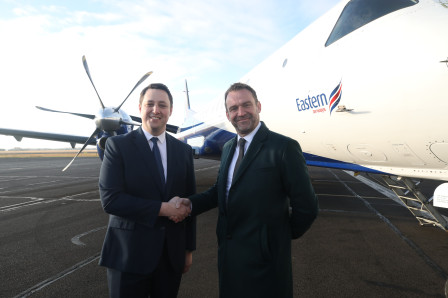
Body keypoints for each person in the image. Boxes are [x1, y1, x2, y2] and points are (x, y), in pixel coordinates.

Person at [175, 82, 318, 298]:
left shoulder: (283, 147)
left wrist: (274, 240)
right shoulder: (229, 147)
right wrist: (191, 204)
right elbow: (220, 191)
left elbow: (307, 207)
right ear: (227, 114)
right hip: (229, 257)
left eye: (246, 105)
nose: (240, 113)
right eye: (234, 109)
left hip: (266, 265)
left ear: (258, 106)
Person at [98, 83, 196, 298]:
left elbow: (191, 201)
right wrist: (165, 209)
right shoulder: (116, 145)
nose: (156, 110)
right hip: (128, 256)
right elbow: (110, 200)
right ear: (140, 107)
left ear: (170, 111)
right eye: (150, 104)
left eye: (162, 105)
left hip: (170, 256)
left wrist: (188, 249)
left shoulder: (184, 151)